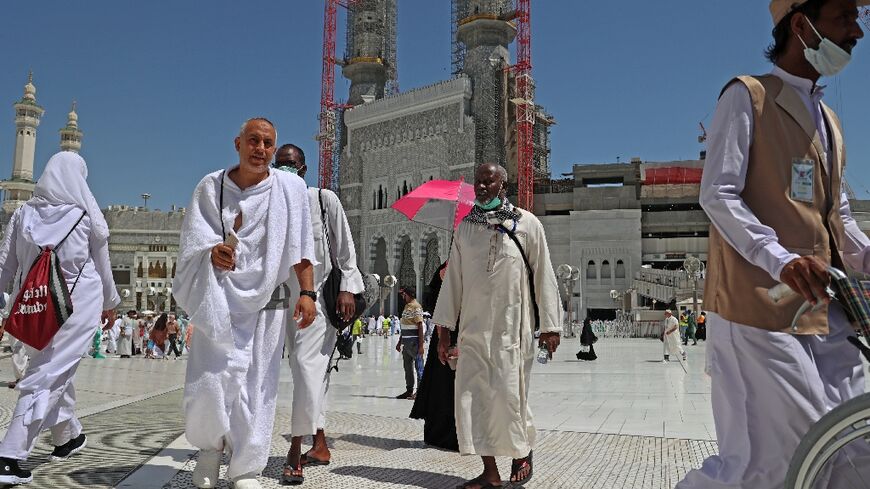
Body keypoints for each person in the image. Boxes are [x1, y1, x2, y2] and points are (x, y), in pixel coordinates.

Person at [677, 1, 870, 487]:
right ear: (802, 25)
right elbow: (718, 194)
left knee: (854, 444)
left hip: (826, 310)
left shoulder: (829, 121)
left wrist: (865, 253)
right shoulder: (749, 97)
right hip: (758, 310)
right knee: (769, 463)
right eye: (844, 17)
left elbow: (836, 216)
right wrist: (779, 259)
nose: (857, 31)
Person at [174, 118, 317, 489]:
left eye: (268, 143)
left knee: (257, 385)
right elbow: (193, 244)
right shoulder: (210, 186)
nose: (260, 149)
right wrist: (212, 253)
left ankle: (245, 469)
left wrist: (307, 292)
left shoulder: (290, 188)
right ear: (237, 143)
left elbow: (302, 246)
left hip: (266, 302)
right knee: (209, 382)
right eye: (253, 141)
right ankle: (208, 452)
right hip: (217, 299)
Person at [434, 163, 562, 489]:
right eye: (477, 182)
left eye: (488, 181)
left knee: (509, 397)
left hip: (512, 330)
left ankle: (522, 451)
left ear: (503, 184)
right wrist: (443, 333)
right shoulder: (465, 229)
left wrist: (550, 325)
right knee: (472, 399)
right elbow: (454, 285)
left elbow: (543, 274)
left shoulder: (527, 224)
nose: (481, 187)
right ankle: (490, 473)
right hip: (473, 331)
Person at [0, 151, 119, 485]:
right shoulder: (87, 216)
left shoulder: (22, 214)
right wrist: (110, 303)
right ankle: (10, 455)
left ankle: (68, 438)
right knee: (49, 372)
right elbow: (103, 267)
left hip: (33, 306)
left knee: (51, 367)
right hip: (78, 305)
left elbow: (5, 266)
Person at [272, 143, 364, 486]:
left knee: (308, 371)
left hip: (316, 303)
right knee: (308, 374)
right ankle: (320, 445)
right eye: (279, 165)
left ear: (304, 169)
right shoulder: (268, 201)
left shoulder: (323, 200)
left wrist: (347, 289)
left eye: (291, 165)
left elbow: (345, 249)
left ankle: (295, 449)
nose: (285, 170)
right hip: (277, 301)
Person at [410, 261, 459, 451]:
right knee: (447, 386)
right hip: (447, 335)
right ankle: (450, 436)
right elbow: (440, 302)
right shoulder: (448, 268)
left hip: (454, 334)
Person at [395, 286, 425, 400]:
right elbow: (404, 326)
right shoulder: (407, 307)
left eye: (404, 295)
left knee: (419, 367)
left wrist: (421, 345)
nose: (403, 297)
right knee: (407, 367)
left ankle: (420, 392)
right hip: (406, 342)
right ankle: (409, 390)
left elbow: (420, 326)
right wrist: (399, 342)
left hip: (414, 342)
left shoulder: (416, 307)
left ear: (409, 295)